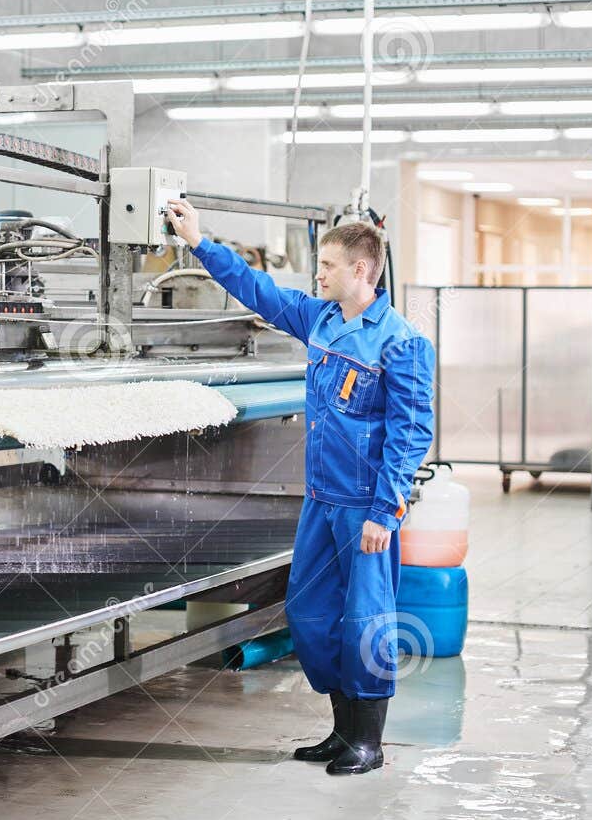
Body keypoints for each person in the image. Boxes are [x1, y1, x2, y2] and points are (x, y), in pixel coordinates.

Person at [163, 199, 435, 775]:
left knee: (366, 621)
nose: (319, 275)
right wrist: (198, 241)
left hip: (366, 507)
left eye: (328, 266)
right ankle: (340, 732)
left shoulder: (400, 342)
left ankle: (368, 742)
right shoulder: (322, 320)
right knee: (311, 614)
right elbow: (258, 290)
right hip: (320, 500)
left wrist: (385, 512)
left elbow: (411, 435)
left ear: (361, 271)